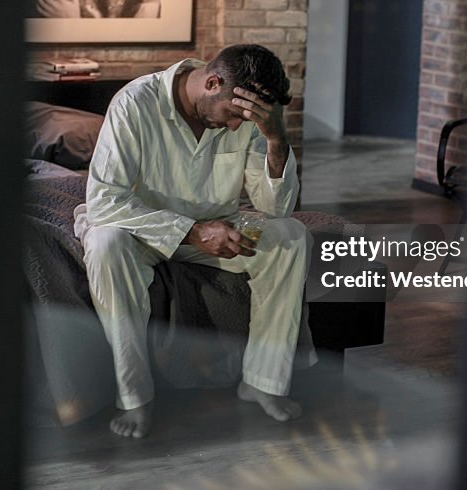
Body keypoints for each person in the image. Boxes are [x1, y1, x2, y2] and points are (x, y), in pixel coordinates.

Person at [74, 44, 312, 438]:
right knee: (105, 245)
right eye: (233, 115)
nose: (238, 126)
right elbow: (103, 202)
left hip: (216, 224)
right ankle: (135, 397)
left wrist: (276, 138)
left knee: (291, 236)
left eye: (246, 120)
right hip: (139, 227)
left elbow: (277, 209)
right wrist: (192, 231)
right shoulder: (135, 102)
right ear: (212, 83)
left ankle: (262, 381)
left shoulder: (247, 113)